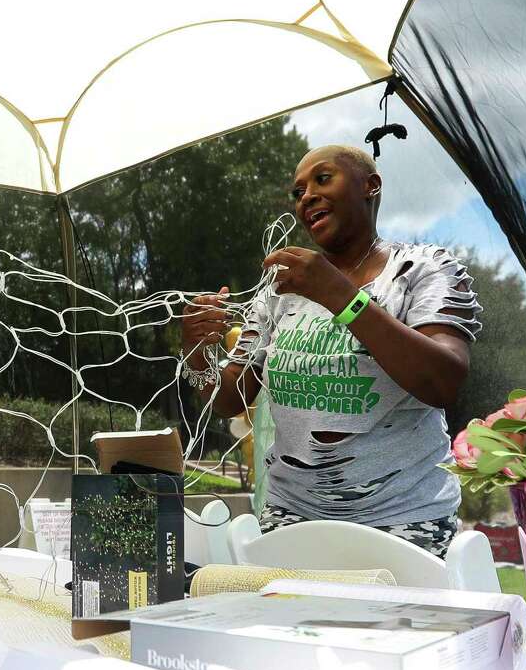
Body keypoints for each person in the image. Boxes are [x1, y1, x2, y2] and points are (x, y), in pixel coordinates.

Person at [181, 144, 480, 557]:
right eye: (298, 191)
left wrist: (339, 295)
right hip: (291, 519)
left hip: (403, 522)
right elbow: (230, 399)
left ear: (370, 186)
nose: (307, 197)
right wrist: (196, 350)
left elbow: (444, 379)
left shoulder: (422, 269)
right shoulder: (280, 288)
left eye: (323, 179)